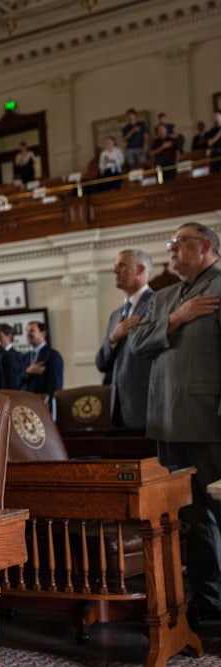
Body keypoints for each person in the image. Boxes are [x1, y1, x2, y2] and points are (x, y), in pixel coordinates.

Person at [130, 222, 221, 623]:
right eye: (169, 243)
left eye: (178, 243)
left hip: (208, 419)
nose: (170, 249)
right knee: (189, 517)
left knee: (218, 514)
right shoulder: (165, 295)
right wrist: (176, 318)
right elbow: (137, 344)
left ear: (206, 245)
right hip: (166, 420)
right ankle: (209, 602)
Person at [95, 249, 154, 431]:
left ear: (140, 269)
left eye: (122, 265)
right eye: (115, 266)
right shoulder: (116, 315)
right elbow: (101, 363)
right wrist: (113, 337)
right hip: (117, 409)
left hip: (148, 406)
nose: (115, 271)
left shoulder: (158, 303)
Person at [19, 321, 63, 407]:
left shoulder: (52, 355)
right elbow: (18, 380)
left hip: (44, 405)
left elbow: (56, 385)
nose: (28, 334)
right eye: (27, 331)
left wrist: (50, 402)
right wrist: (27, 372)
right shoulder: (26, 357)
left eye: (32, 330)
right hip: (26, 404)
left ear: (43, 334)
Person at [206, 109, 221, 174]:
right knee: (214, 174)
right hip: (216, 153)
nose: (215, 117)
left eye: (217, 115)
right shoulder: (212, 130)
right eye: (214, 116)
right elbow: (209, 143)